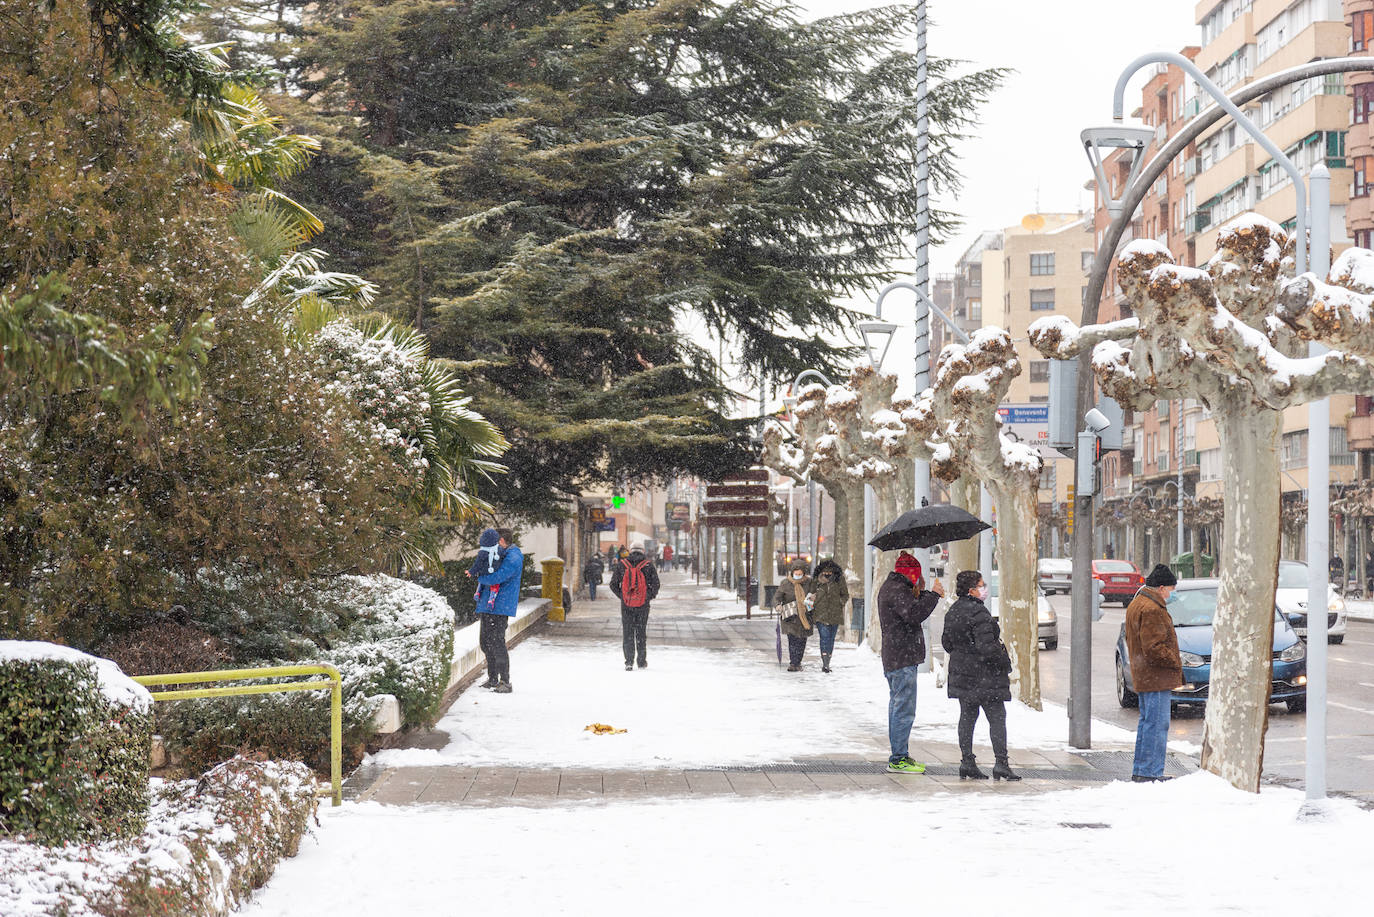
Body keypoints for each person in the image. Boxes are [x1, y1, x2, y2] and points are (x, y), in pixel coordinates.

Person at [941, 570, 1019, 781]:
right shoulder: (979, 614)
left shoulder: (953, 611)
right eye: (982, 585)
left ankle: (967, 762)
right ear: (972, 590)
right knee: (997, 718)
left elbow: (947, 644)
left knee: (967, 718)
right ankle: (1001, 763)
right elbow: (987, 648)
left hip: (963, 677)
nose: (984, 589)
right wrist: (1004, 662)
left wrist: (964, 654)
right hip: (985, 678)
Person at [877, 551, 943, 774]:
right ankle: (898, 758)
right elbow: (914, 615)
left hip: (898, 656)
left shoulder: (895, 588)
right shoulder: (896, 590)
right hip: (901, 658)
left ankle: (900, 755)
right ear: (910, 573)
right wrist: (932, 595)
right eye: (916, 575)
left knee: (899, 706)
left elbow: (910, 610)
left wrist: (922, 592)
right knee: (903, 709)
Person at [1123, 564, 1181, 782]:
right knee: (1157, 724)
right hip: (1156, 676)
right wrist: (1175, 659)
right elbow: (1154, 648)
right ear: (1162, 587)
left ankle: (1142, 769)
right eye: (1171, 590)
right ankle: (1151, 772)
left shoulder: (1138, 603)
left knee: (1148, 722)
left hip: (1145, 674)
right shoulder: (1152, 609)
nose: (1171, 595)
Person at [472, 528, 524, 693]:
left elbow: (498, 576)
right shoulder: (501, 555)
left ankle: (505, 681)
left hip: (500, 606)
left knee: (497, 642)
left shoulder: (513, 557)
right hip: (490, 605)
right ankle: (493, 678)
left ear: (501, 541)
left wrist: (479, 576)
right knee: (485, 642)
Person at [610, 543, 660, 670]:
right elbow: (656, 584)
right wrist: (647, 596)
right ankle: (641, 661)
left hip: (626, 605)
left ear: (630, 551)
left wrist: (623, 596)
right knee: (641, 633)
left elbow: (613, 584)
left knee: (628, 633)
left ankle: (629, 661)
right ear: (642, 551)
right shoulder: (648, 565)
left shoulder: (622, 564)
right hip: (643, 605)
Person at [808, 559, 848, 673]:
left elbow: (845, 594)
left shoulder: (839, 579)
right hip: (820, 613)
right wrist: (813, 598)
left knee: (831, 639)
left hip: (835, 613)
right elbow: (810, 594)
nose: (827, 574)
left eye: (830, 571)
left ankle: (827, 661)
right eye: (825, 571)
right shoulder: (816, 580)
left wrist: (840, 602)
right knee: (824, 638)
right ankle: (825, 664)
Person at [774, 560, 813, 671]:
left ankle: (798, 662)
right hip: (790, 618)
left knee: (801, 641)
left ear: (804, 573)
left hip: (804, 617)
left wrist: (811, 599)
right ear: (792, 573)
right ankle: (793, 663)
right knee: (792, 640)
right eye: (796, 574)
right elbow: (777, 597)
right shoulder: (785, 583)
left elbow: (815, 594)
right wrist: (777, 605)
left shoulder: (809, 582)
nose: (798, 576)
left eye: (800, 574)